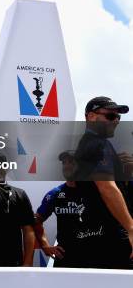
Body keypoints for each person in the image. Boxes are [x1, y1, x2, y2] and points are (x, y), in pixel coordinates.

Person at [74, 96, 133, 268]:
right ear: (91, 117)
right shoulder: (97, 143)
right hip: (110, 238)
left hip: (95, 235)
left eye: (118, 118)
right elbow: (106, 187)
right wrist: (130, 228)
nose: (115, 121)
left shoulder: (89, 144)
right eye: (110, 116)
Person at [34, 150, 87, 267]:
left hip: (92, 256)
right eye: (64, 163)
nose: (67, 166)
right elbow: (36, 220)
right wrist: (45, 245)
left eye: (71, 162)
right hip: (64, 257)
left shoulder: (94, 192)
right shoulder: (55, 194)